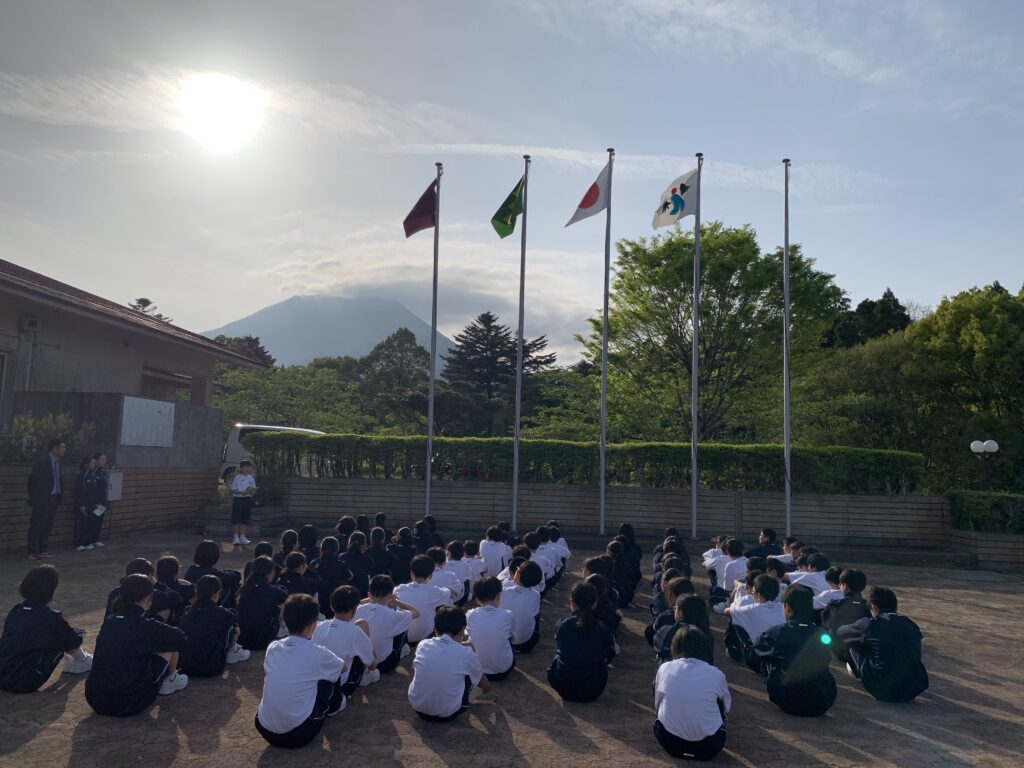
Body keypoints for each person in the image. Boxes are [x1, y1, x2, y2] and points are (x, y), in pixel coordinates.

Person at [85, 574, 189, 716]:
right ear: (147, 599)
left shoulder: (110, 621)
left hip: (95, 699)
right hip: (131, 702)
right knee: (169, 643)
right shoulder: (146, 626)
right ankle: (171, 679)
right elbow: (180, 638)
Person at [255, 594, 346, 749]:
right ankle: (336, 705)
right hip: (299, 734)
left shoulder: (273, 647)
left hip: (263, 727)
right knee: (329, 676)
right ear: (312, 625)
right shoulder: (318, 653)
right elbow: (342, 667)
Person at [0, 565, 92, 693]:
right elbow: (73, 641)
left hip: (3, 673)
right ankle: (82, 660)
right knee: (64, 635)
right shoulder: (51, 616)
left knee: (55, 633)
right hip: (25, 680)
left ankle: (79, 660)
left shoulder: (16, 610)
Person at [753, 586, 837, 717]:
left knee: (768, 659)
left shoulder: (776, 632)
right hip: (821, 702)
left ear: (787, 607)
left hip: (788, 701)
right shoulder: (822, 634)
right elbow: (826, 658)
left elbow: (754, 655)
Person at [838, 586, 929, 702]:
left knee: (853, 641)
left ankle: (859, 674)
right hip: (913, 690)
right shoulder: (910, 624)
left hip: (884, 692)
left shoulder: (870, 624)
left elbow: (842, 632)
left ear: (874, 607)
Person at [654, 626, 730, 761]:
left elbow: (657, 703)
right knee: (717, 701)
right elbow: (726, 707)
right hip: (708, 748)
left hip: (669, 742)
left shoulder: (665, 668)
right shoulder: (716, 674)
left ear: (675, 646)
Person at [407, 605, 490, 722]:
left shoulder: (423, 644)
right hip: (448, 713)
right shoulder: (466, 653)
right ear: (462, 631)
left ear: (436, 630)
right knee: (468, 673)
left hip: (417, 707)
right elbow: (485, 685)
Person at [547, 582, 615, 702]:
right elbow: (609, 654)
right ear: (595, 602)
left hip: (563, 688)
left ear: (572, 602)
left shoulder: (562, 625)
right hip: (592, 690)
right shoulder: (603, 629)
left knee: (558, 656)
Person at [179, 574, 250, 676]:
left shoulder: (188, 611)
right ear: (216, 594)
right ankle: (233, 650)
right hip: (212, 668)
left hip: (187, 667)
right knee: (231, 627)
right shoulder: (221, 613)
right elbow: (233, 615)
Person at [312, 585, 377, 694]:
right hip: (341, 685)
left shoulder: (319, 627)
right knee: (362, 628)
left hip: (318, 682)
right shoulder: (355, 632)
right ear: (355, 609)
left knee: (360, 625)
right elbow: (373, 665)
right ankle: (366, 676)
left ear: (332, 607)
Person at [355, 575, 418, 673]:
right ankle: (402, 649)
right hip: (384, 663)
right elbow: (416, 613)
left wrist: (369, 598)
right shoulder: (391, 614)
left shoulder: (358, 609)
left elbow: (355, 603)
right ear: (389, 595)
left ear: (369, 594)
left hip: (362, 660)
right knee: (403, 620)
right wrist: (396, 602)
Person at [724, 575, 785, 669]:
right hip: (780, 657)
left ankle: (734, 651)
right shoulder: (783, 607)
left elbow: (727, 612)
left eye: (753, 592)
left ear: (758, 594)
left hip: (757, 660)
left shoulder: (751, 609)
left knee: (734, 620)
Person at [393, 555, 453, 644]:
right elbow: (448, 592)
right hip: (425, 635)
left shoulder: (398, 589)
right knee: (445, 604)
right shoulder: (434, 591)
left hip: (402, 636)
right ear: (430, 575)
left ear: (411, 573)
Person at [466, 577, 515, 680]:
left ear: (477, 599)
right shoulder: (507, 615)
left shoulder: (470, 615)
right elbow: (512, 637)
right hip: (502, 671)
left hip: (478, 671)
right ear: (498, 596)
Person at [237, 556, 289, 651]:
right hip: (262, 641)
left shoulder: (245, 587)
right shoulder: (272, 590)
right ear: (271, 572)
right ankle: (282, 627)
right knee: (284, 603)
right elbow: (286, 596)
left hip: (242, 638)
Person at [26, 438, 65, 560]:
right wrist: (35, 498)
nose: (64, 450)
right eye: (62, 447)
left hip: (54, 497)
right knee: (37, 524)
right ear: (55, 448)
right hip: (42, 499)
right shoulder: (43, 461)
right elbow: (32, 480)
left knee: (47, 524)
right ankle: (33, 550)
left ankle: (43, 548)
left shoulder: (58, 462)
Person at [822, 569, 870, 661]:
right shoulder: (868, 607)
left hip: (840, 651)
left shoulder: (834, 604)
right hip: (861, 651)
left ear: (845, 586)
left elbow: (826, 623)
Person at [655, 594, 714, 666]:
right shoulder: (708, 635)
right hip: (701, 671)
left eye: (675, 608)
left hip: (673, 670)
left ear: (680, 612)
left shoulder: (667, 630)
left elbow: (656, 644)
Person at [185, 540, 242, 608]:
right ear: (216, 556)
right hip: (213, 608)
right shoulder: (218, 575)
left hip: (192, 608)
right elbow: (236, 576)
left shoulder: (191, 570)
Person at [502, 560, 543, 653]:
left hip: (505, 641)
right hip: (525, 643)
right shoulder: (535, 595)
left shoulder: (504, 591)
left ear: (518, 573)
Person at [312, 537, 351, 618]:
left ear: (321, 549)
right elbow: (350, 577)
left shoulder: (314, 564)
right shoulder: (341, 565)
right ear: (337, 550)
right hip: (336, 605)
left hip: (318, 605)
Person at [155, 555, 195, 626]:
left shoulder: (153, 590)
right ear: (176, 572)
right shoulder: (186, 589)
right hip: (180, 626)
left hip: (158, 625)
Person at [73, 456, 101, 552]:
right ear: (86, 464)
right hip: (83, 504)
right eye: (92, 463)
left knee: (89, 524)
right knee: (81, 524)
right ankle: (78, 543)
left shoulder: (92, 475)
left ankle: (87, 542)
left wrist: (95, 503)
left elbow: (94, 491)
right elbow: (80, 491)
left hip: (91, 504)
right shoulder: (82, 475)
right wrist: (81, 504)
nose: (94, 465)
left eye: (94, 463)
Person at [710, 539, 747, 612]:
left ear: (727, 551)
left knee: (713, 591)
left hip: (736, 595)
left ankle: (727, 605)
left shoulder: (730, 565)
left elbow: (727, 589)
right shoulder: (748, 560)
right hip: (749, 593)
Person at [338, 532, 374, 598]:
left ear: (349, 542)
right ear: (364, 544)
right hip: (362, 594)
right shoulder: (368, 559)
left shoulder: (342, 557)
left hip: (345, 593)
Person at [230, 459, 256, 546]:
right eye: (245, 467)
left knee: (245, 519)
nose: (247, 469)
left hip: (247, 499)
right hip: (238, 499)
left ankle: (243, 536)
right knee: (236, 519)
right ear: (241, 468)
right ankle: (235, 537)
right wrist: (241, 492)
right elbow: (233, 489)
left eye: (249, 467)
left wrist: (251, 492)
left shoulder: (251, 478)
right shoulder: (237, 478)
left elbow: (253, 490)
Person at [92, 452, 110, 547]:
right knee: (93, 521)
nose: (104, 461)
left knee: (99, 521)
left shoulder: (103, 473)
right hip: (95, 501)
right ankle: (90, 540)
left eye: (105, 459)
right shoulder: (93, 472)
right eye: (102, 459)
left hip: (102, 501)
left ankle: (96, 539)